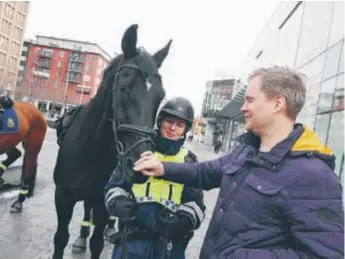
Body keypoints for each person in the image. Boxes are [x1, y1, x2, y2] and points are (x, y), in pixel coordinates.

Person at [133, 66, 344, 259]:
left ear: (277, 104)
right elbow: (206, 172)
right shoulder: (247, 150)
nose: (243, 108)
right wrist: (163, 167)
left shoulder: (312, 175)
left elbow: (325, 255)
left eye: (250, 100)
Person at [104, 97, 206, 259]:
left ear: (185, 130)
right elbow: (113, 187)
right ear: (160, 122)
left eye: (179, 125)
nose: (173, 128)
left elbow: (196, 205)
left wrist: (184, 221)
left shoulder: (189, 162)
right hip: (132, 241)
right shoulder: (137, 152)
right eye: (169, 122)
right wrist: (118, 203)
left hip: (168, 247)